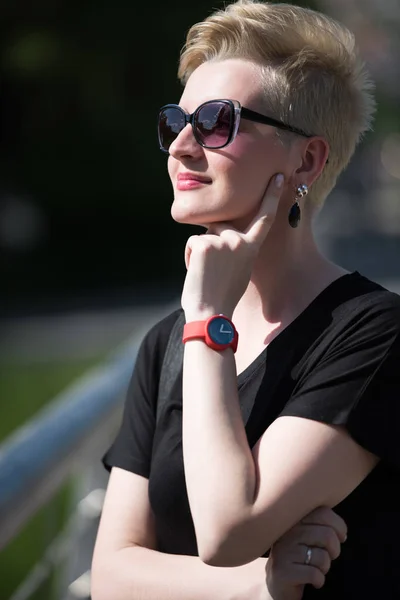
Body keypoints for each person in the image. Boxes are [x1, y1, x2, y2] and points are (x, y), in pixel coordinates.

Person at [92, 0, 400, 598]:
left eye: (214, 122)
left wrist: (209, 321)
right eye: (174, 122)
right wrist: (258, 585)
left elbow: (230, 527)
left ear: (306, 159)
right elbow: (109, 575)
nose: (180, 146)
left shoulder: (375, 334)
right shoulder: (166, 344)